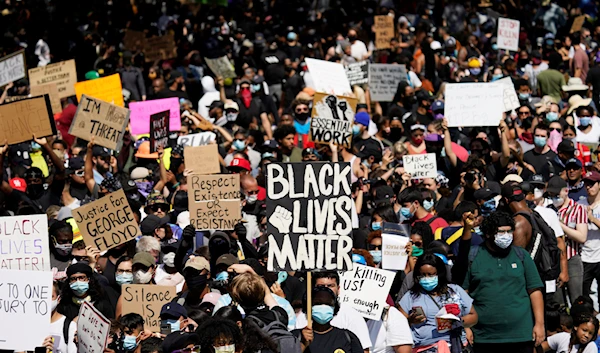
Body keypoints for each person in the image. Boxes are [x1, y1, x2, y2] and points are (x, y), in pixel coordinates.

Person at [463, 212, 545, 353]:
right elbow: (463, 294)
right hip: (484, 336)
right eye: (501, 232)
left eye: (509, 231)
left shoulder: (522, 256)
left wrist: (539, 324)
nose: (506, 235)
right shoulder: (473, 256)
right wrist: (466, 327)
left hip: (520, 335)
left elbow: (534, 291)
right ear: (488, 233)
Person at [398, 251, 477, 351]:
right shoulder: (410, 296)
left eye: (430, 275)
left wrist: (457, 322)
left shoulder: (455, 291)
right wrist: (411, 321)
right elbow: (398, 324)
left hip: (453, 346)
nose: (426, 278)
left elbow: (473, 316)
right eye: (422, 275)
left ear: (439, 273)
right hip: (424, 348)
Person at [294, 287, 364, 353]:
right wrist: (302, 344)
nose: (323, 307)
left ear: (334, 308)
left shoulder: (347, 338)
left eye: (328, 304)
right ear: (308, 307)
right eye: (318, 303)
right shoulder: (294, 337)